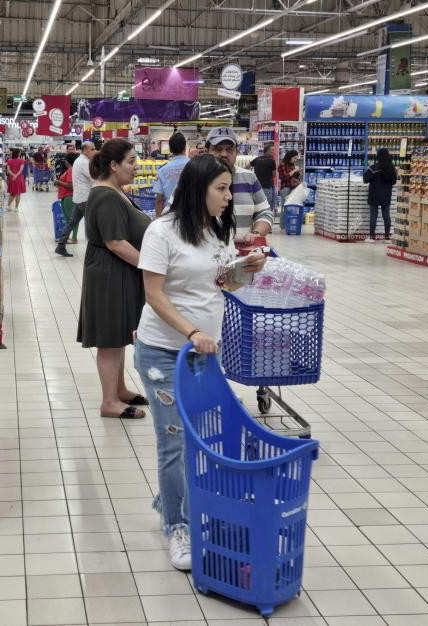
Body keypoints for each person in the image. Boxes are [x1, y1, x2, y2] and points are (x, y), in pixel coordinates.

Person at [135, 154, 266, 570]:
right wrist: (191, 331)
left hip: (204, 352)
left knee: (201, 438)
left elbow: (221, 283)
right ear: (198, 189)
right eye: (222, 189)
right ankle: (178, 526)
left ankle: (173, 500)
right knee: (174, 441)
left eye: (229, 188)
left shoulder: (215, 231)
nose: (230, 197)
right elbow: (154, 294)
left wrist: (248, 270)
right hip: (163, 353)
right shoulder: (162, 232)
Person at [77, 138, 152, 420]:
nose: (136, 167)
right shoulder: (106, 195)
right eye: (131, 161)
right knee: (109, 338)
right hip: (109, 272)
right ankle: (109, 401)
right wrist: (149, 266)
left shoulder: (114, 191)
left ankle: (119, 390)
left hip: (117, 272)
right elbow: (116, 242)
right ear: (113, 165)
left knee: (118, 334)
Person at [205, 127, 273, 241]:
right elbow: (174, 216)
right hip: (205, 255)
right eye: (218, 149)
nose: (224, 154)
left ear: (237, 151)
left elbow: (265, 212)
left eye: (229, 149)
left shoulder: (249, 178)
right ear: (207, 152)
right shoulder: (193, 178)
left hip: (242, 254)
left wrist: (256, 234)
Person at [55, 141, 96, 257]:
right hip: (85, 198)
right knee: (93, 223)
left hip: (79, 197)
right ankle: (95, 251)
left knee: (72, 222)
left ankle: (61, 246)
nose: (94, 151)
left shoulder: (80, 161)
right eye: (92, 149)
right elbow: (94, 178)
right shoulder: (83, 162)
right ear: (84, 151)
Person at [363, 148, 397, 242]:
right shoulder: (391, 168)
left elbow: (365, 179)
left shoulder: (374, 168)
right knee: (386, 215)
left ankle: (371, 237)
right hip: (386, 195)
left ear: (378, 156)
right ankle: (387, 238)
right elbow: (394, 182)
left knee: (373, 215)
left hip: (374, 194)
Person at [153, 132, 189, 215]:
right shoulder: (194, 166)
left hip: (169, 215)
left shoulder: (162, 170)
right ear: (185, 147)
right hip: (191, 216)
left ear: (170, 150)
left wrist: (157, 220)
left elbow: (159, 199)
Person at [56, 152, 79, 243]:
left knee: (71, 219)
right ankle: (68, 237)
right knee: (68, 219)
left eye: (65, 159)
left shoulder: (71, 170)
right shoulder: (69, 170)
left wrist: (59, 183)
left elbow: (71, 185)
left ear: (67, 161)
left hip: (69, 196)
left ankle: (74, 238)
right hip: (65, 196)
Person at [251, 144, 277, 211]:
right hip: (267, 187)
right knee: (267, 206)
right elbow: (274, 174)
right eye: (273, 150)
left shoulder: (257, 159)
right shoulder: (271, 161)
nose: (274, 151)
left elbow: (246, 167)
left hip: (257, 187)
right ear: (268, 151)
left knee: (258, 206)